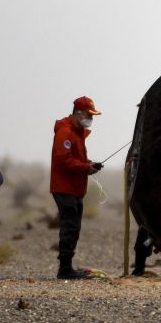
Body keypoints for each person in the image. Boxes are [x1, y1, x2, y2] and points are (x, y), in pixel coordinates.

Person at [50, 96, 104, 279]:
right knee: (70, 227)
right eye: (90, 114)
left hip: (75, 188)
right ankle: (64, 269)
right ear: (79, 113)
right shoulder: (65, 132)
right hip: (64, 187)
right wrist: (85, 168)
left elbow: (75, 159)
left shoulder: (77, 132)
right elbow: (63, 160)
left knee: (73, 227)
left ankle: (67, 267)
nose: (91, 119)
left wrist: (89, 165)